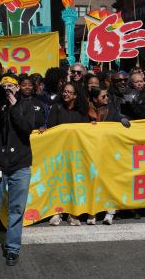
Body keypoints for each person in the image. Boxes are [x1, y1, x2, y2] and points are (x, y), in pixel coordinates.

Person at [0, 75, 44, 267]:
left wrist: (14, 108)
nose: (8, 89)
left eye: (11, 86)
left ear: (17, 88)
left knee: (16, 209)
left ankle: (13, 248)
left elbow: (26, 128)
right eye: (4, 86)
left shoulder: (26, 105)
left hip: (20, 166)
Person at [44, 81, 89, 226]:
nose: (65, 94)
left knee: (74, 183)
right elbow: (51, 128)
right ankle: (57, 212)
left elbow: (86, 131)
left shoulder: (82, 111)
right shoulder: (56, 107)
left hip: (76, 154)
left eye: (69, 92)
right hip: (59, 152)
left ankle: (73, 213)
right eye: (64, 91)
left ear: (76, 95)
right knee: (59, 182)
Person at [86, 87, 129, 225]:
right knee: (93, 181)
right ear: (94, 99)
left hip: (109, 151)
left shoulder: (111, 109)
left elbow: (118, 118)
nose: (107, 98)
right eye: (103, 97)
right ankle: (92, 212)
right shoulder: (85, 110)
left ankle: (110, 212)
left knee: (110, 180)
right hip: (91, 151)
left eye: (107, 96)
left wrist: (122, 118)